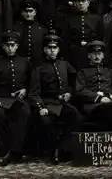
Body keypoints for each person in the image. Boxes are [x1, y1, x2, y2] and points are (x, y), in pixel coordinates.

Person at [28, 34, 82, 164]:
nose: (52, 50)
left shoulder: (64, 64)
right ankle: (52, 151)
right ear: (44, 50)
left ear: (58, 50)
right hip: (47, 105)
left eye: (55, 48)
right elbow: (33, 93)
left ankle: (62, 148)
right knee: (46, 123)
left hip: (62, 104)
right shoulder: (39, 68)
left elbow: (77, 79)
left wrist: (70, 92)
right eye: (49, 48)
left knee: (76, 117)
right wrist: (41, 107)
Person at [0, 32, 32, 166]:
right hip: (1, 100)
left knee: (25, 113)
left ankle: (12, 151)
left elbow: (32, 83)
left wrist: (25, 90)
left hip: (19, 101)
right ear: (3, 46)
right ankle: (15, 150)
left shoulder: (25, 62)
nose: (10, 48)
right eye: (7, 45)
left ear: (17, 46)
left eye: (13, 45)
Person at [75, 41, 112, 131]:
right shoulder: (83, 72)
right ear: (89, 56)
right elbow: (79, 90)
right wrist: (99, 98)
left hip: (109, 103)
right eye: (94, 54)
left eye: (99, 54)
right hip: (91, 106)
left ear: (103, 56)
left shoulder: (108, 71)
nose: (97, 57)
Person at [60, 0, 105, 76]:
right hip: (75, 53)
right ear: (75, 3)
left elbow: (101, 36)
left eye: (83, 1)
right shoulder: (69, 19)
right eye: (78, 1)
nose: (81, 4)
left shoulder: (96, 19)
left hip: (92, 53)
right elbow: (65, 38)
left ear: (88, 2)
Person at [13, 0, 48, 69]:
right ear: (22, 13)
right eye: (26, 11)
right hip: (20, 65)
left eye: (30, 11)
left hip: (37, 65)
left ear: (35, 12)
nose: (28, 14)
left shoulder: (42, 30)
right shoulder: (16, 28)